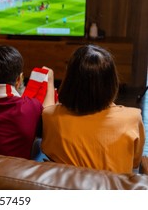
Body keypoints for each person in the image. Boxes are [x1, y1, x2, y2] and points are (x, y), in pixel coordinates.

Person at [41, 44, 146, 173]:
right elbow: (135, 163)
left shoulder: (50, 117)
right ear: (112, 81)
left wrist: (50, 81)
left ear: (70, 80)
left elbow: (48, 109)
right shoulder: (132, 119)